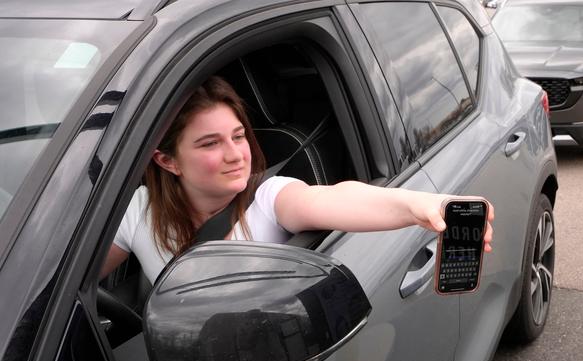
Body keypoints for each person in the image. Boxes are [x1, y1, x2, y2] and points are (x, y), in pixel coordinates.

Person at [101, 76, 493, 283]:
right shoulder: (139, 209)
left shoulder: (268, 198)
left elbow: (339, 198)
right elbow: (67, 289)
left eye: (238, 136)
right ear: (168, 161)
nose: (236, 154)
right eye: (210, 144)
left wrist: (419, 205)